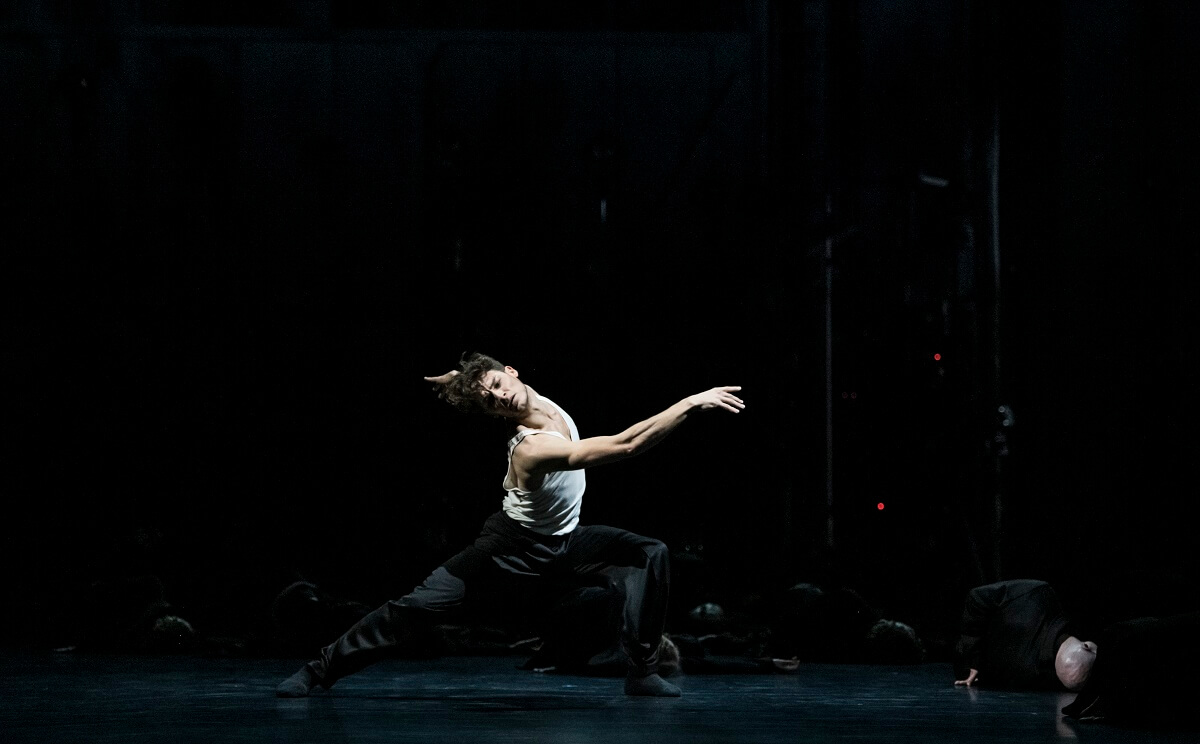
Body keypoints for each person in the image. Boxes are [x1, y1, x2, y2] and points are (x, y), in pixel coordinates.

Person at [276, 352, 744, 697]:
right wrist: (689, 403)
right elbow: (624, 447)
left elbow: (481, 378)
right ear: (493, 416)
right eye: (491, 400)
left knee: (649, 553)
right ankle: (318, 670)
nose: (501, 395)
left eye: (498, 383)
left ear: (511, 371)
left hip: (566, 542)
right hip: (508, 548)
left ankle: (641, 672)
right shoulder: (529, 446)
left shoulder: (524, 393)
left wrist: (462, 378)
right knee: (415, 609)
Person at [952, 579, 1097, 691]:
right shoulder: (1038, 596)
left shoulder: (1039, 594)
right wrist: (974, 659)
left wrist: (973, 660)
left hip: (969, 668)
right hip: (970, 665)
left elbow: (977, 597)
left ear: (1087, 646)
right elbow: (977, 597)